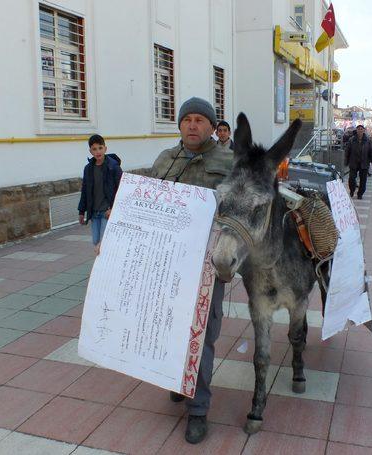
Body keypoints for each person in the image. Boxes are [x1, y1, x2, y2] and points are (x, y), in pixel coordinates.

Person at [150, 97, 234, 444]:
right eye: (187, 119)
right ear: (179, 124)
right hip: (168, 262)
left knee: (201, 336)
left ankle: (198, 409)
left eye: (201, 119)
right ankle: (177, 381)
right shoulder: (164, 160)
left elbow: (239, 212)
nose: (193, 125)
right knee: (168, 327)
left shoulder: (229, 162)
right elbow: (150, 202)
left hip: (207, 264)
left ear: (213, 126)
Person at [78, 134, 122, 255]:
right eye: (94, 149)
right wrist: (81, 211)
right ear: (90, 151)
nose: (98, 152)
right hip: (94, 212)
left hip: (107, 211)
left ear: (105, 149)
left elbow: (120, 189)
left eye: (100, 148)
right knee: (96, 241)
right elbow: (85, 191)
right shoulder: (88, 169)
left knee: (103, 243)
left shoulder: (113, 167)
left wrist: (113, 208)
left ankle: (102, 271)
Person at [345, 124, 372, 199]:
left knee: (363, 180)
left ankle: (360, 194)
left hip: (364, 163)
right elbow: (347, 151)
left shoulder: (368, 140)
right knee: (351, 179)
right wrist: (346, 161)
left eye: (361, 129)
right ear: (356, 130)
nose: (360, 130)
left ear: (364, 130)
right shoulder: (352, 140)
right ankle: (352, 190)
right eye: (358, 129)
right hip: (353, 162)